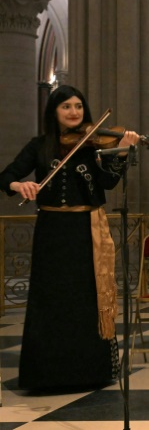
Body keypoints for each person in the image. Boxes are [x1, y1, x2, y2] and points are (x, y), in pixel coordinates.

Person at [0, 85, 139, 391]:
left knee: (84, 299)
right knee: (51, 301)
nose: (74, 112)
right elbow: (7, 175)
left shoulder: (93, 146)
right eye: (66, 107)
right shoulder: (39, 145)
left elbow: (108, 183)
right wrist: (17, 186)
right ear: (54, 112)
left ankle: (89, 373)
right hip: (51, 230)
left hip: (85, 230)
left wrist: (123, 152)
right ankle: (46, 375)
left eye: (78, 106)